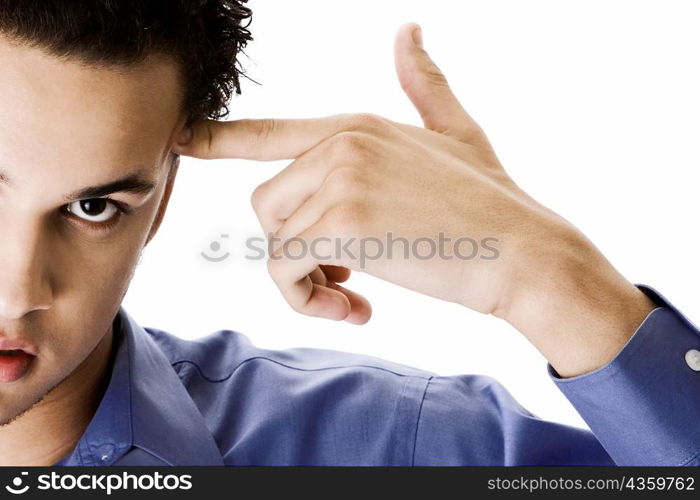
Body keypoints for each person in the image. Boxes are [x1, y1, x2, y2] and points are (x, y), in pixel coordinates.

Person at [0, 1, 697, 467]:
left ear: (162, 200)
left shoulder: (398, 448)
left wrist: (551, 279)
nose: (17, 293)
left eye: (94, 207)